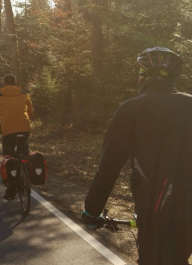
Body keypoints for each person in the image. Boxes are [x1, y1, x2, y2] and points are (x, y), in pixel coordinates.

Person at [81, 47, 192, 265]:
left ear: (142, 76)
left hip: (155, 210)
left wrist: (92, 210)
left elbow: (109, 167)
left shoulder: (131, 108)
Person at [0, 74, 34, 200]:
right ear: (15, 83)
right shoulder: (24, 93)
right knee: (25, 154)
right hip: (24, 128)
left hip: (8, 130)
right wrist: (25, 121)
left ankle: (11, 188)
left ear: (4, 83)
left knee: (8, 158)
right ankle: (28, 175)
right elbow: (30, 112)